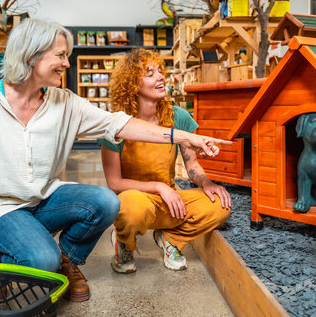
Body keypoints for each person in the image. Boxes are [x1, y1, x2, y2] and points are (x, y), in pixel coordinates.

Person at [0, 19, 230, 303]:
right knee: (42, 262)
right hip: (2, 209)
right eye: (60, 56)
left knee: (106, 202)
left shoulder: (64, 102)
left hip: (45, 199)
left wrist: (186, 137)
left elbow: (119, 124)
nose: (67, 64)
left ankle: (67, 259)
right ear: (31, 55)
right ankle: (14, 256)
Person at [98, 49, 232, 273]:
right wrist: (160, 187)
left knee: (220, 205)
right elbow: (115, 183)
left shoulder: (178, 116)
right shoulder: (115, 124)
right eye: (150, 73)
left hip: (170, 202)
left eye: (160, 71)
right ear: (132, 84)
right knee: (130, 206)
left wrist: (206, 183)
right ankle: (124, 243)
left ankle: (171, 239)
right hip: (136, 200)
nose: (160, 76)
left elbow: (192, 166)